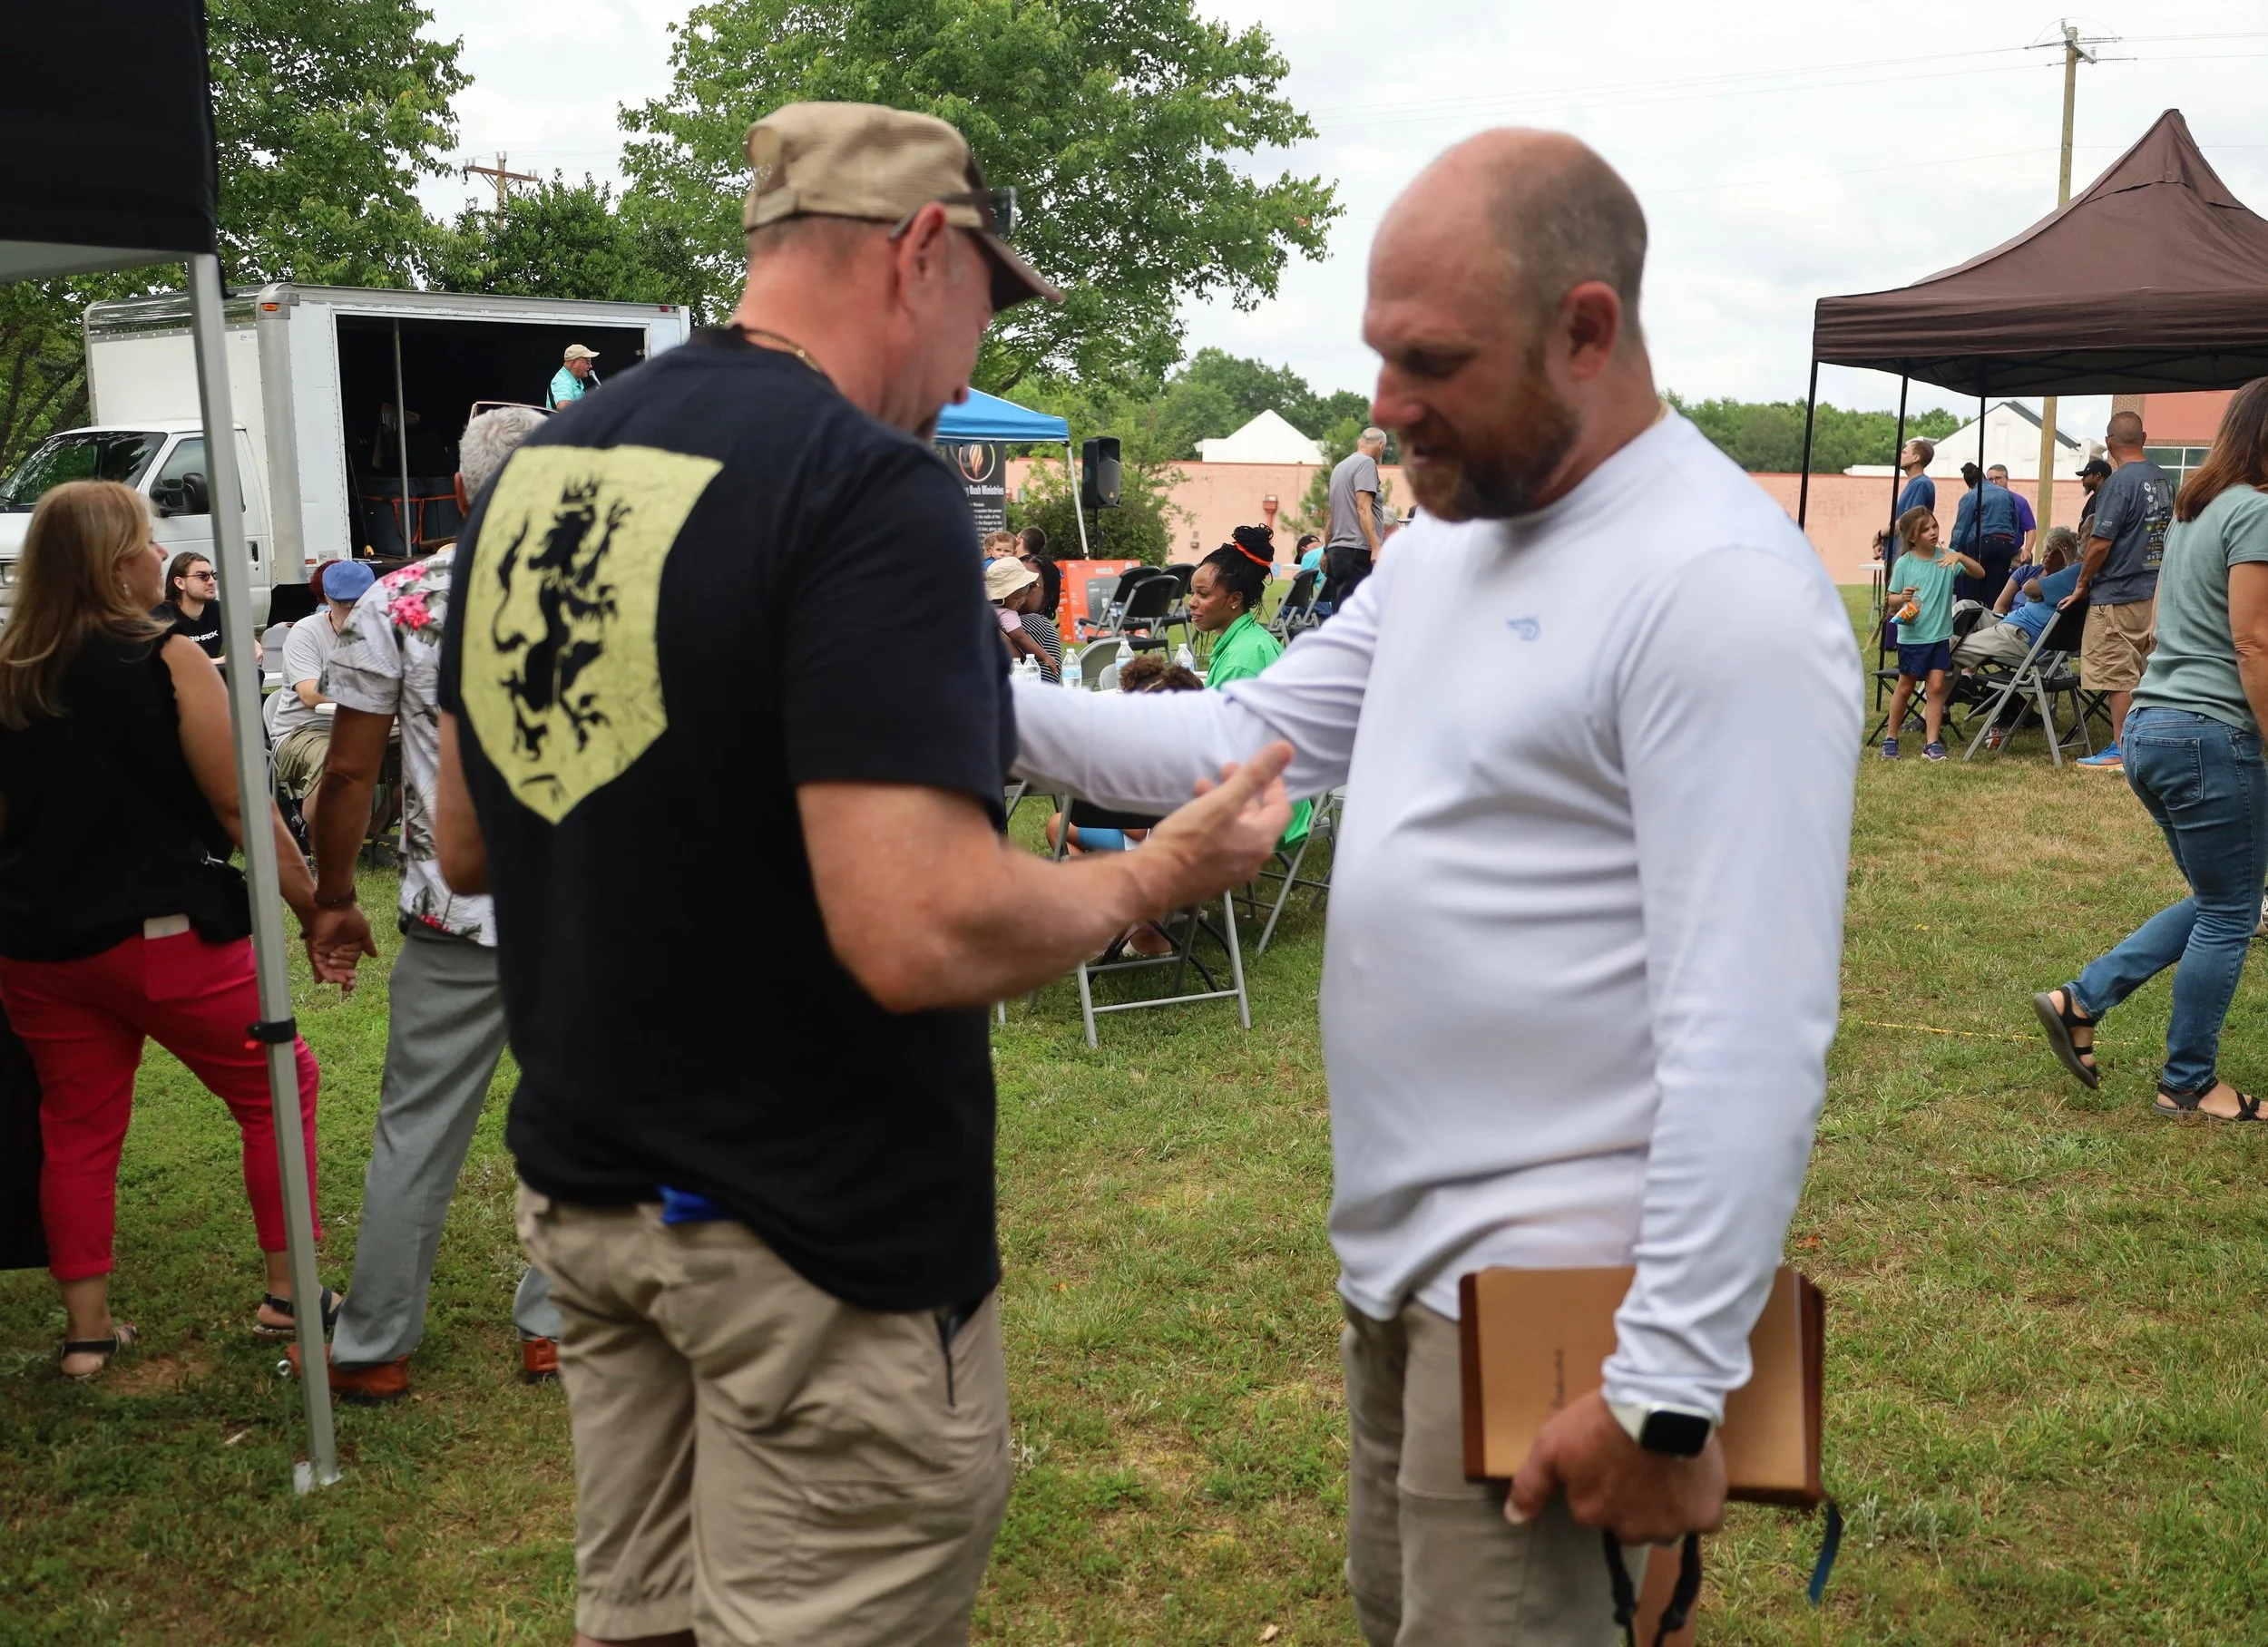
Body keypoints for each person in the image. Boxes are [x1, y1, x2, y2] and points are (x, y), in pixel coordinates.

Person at [431, 102, 1290, 1647]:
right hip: (810, 1246)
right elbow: (915, 925)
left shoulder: (550, 471)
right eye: (983, 303)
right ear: (917, 252)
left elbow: (471, 833)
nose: (969, 371)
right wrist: (1152, 879)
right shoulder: (868, 486)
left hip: (594, 1208)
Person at [1010, 127, 1859, 1642]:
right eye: (1378, 355)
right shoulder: (1448, 546)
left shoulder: (1718, 590)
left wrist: (1666, 1395)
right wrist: (944, 694)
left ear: (1585, 330)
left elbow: (1752, 1027)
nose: (1388, 407)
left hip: (1554, 1307)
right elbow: (1239, 738)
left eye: (1433, 360)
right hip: (1399, 1268)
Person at [0, 482, 346, 1380]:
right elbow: (237, 800)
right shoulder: (165, 654)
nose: (162, 557)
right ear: (118, 560)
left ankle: (85, 1335)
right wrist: (315, 909)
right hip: (165, 936)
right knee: (279, 1083)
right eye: (151, 543)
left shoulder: (11, 665)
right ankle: (289, 1292)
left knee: (75, 1126)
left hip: (41, 948)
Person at [293, 406, 561, 1405]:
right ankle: (556, 1328)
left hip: (456, 914)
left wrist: (329, 899)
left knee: (416, 1131)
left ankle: (373, 1344)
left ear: (458, 493)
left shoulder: (400, 601)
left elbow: (352, 772)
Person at [2033, 377, 2268, 1120]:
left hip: (2152, 730)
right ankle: (2189, 1084)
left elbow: (2172, 616)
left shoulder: (2200, 513)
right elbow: (2252, 639)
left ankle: (2083, 999)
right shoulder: (2259, 512)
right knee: (2232, 911)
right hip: (2211, 735)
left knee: (2218, 897)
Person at [2069, 412, 2176, 771]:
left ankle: (2121, 748)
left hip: (2118, 591)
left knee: (2119, 674)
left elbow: (2100, 542)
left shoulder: (2118, 483)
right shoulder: (2164, 479)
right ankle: (2147, 743)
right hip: (2156, 590)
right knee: (2149, 672)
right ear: (2144, 438)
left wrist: (2083, 583)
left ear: (2110, 441)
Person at [1190, 531, 1311, 847]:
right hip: (1270, 790)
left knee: (1066, 826)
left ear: (1235, 599)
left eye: (1203, 594)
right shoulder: (1251, 640)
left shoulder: (1243, 658)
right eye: (1192, 592)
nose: (1192, 602)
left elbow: (1216, 746)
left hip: (1257, 803)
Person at [270, 559, 377, 833]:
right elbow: (310, 694)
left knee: (432, 742)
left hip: (363, 726)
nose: (353, 611)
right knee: (334, 755)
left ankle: (372, 835)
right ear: (327, 599)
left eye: (361, 603)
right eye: (345, 604)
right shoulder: (306, 631)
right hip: (303, 730)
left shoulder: (383, 630)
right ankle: (318, 854)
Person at [1882, 507, 1982, 761]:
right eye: (1926, 530)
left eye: (1935, 526)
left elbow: (1980, 573)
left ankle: (1932, 743)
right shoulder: (1905, 563)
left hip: (1939, 637)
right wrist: (1901, 597)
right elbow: (1891, 600)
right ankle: (1891, 738)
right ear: (1912, 538)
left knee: (1936, 687)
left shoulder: (1947, 559)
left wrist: (1959, 556)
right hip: (1913, 638)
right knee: (1905, 688)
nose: (1933, 532)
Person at [1325, 426, 1389, 608]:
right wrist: (1376, 547)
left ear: (1359, 442)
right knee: (1357, 615)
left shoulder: (1340, 467)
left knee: (1341, 613)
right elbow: (1363, 508)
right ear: (1381, 447)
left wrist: (1326, 549)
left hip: (1338, 551)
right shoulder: (1366, 464)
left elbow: (1334, 514)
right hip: (1357, 551)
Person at [1950, 461, 2020, 604]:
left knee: (1971, 592)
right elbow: (2015, 522)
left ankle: (1971, 625)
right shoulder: (2006, 494)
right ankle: (1992, 621)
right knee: (1996, 593)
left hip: (1980, 544)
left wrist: (1952, 552)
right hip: (2005, 544)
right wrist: (2013, 545)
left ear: (1969, 484)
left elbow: (1961, 528)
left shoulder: (1971, 496)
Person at [153, 551, 225, 660]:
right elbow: (167, 667)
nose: (212, 581)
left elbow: (245, 639)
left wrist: (254, 649)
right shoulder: (160, 618)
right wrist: (220, 662)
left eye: (213, 575)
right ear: (180, 583)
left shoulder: (219, 610)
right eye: (202, 576)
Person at [1985, 463, 2037, 560]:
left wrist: (2027, 550)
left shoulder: (2020, 502)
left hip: (2013, 555)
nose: (1994, 482)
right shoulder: (1982, 501)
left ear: (2006, 479)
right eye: (1990, 480)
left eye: (1998, 478)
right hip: (1987, 553)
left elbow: (2031, 529)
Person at [547, 344, 601, 411]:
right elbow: (563, 406)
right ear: (574, 363)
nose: (590, 366)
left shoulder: (575, 380)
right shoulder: (562, 380)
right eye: (587, 362)